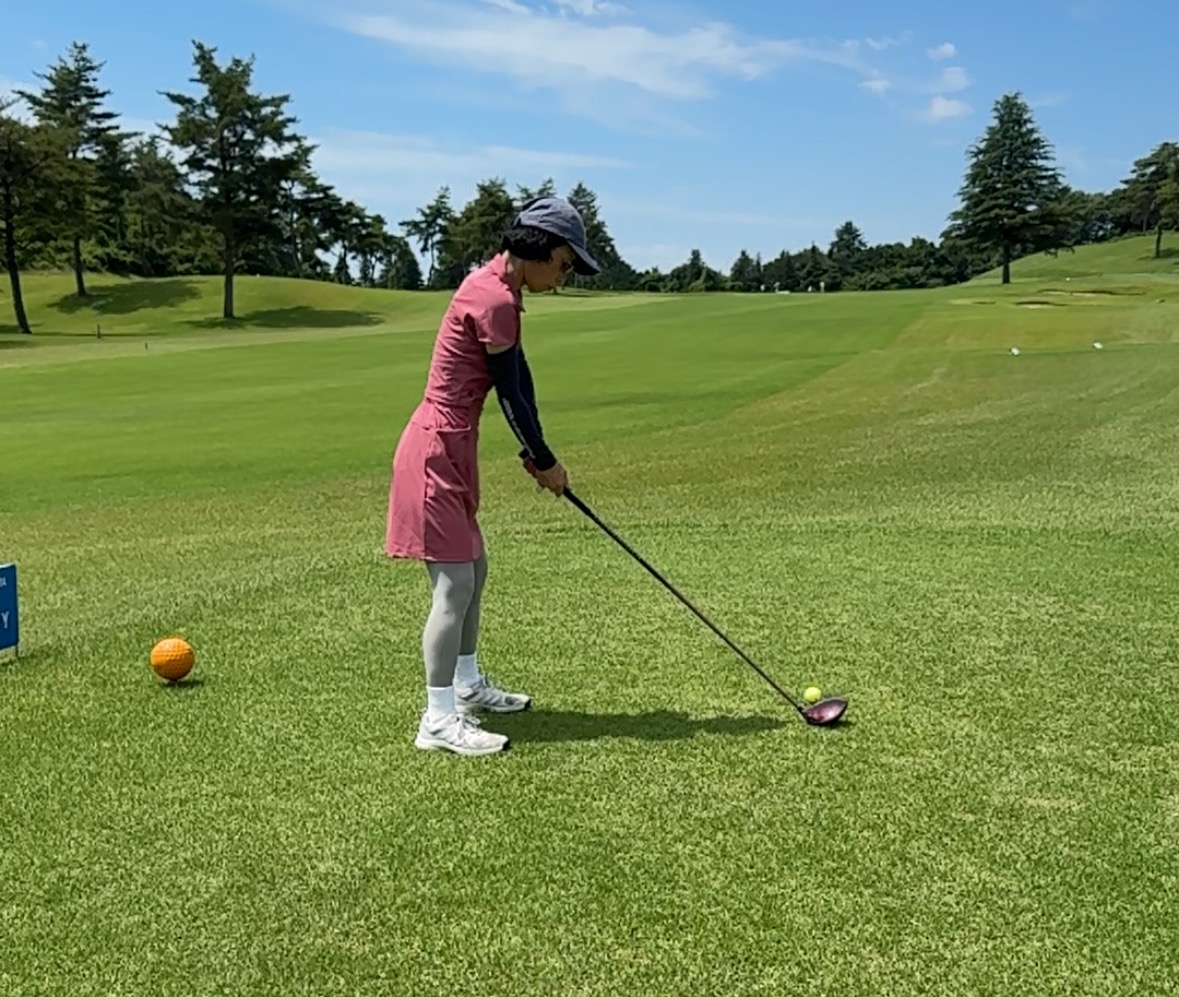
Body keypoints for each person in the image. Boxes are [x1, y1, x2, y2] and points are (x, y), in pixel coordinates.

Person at [385, 196, 600, 757]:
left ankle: (466, 684)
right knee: (454, 586)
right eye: (565, 263)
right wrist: (545, 461)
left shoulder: (501, 290)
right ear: (541, 248)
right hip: (434, 451)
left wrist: (538, 453)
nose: (564, 276)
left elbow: (519, 380)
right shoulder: (494, 297)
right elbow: (508, 396)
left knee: (474, 571)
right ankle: (437, 719)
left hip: (454, 447)